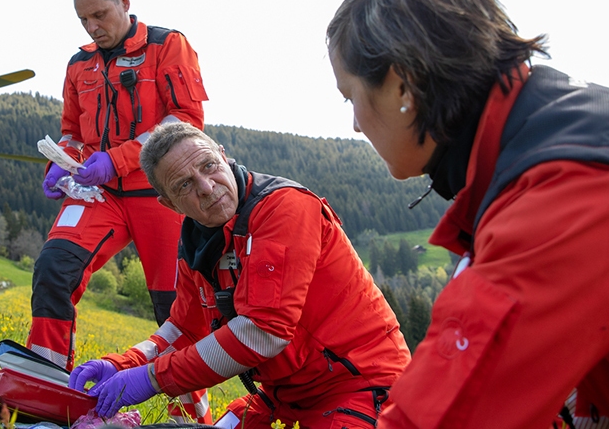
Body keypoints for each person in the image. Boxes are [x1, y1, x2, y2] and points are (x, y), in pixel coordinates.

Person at [326, 0, 609, 427]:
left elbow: (443, 418)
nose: (356, 125)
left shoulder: (565, 193)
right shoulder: (572, 133)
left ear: (403, 87)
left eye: (349, 97)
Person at [67, 122, 411, 428]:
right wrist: (124, 364)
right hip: (284, 397)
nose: (206, 186)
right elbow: (184, 329)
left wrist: (153, 378)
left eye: (209, 166)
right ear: (169, 204)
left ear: (223, 155)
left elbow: (264, 331)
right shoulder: (195, 246)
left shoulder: (283, 208)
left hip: (362, 389)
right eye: (184, 185)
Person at [29, 0, 210, 422]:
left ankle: (188, 418)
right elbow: (72, 132)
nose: (91, 26)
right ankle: (45, 396)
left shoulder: (169, 46)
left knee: (176, 310)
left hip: (162, 193)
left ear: (124, 2)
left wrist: (119, 158)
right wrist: (60, 161)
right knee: (54, 268)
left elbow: (186, 119)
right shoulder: (78, 65)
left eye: (99, 14)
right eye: (83, 19)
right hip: (99, 193)